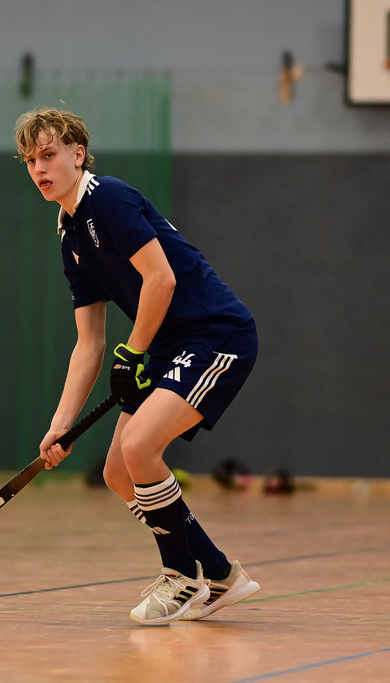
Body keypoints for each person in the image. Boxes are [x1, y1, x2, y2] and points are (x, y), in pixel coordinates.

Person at [15, 108, 260, 625]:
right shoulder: (69, 234)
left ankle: (182, 577)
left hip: (216, 334)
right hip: (171, 346)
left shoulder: (108, 198)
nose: (40, 168)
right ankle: (219, 574)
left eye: (50, 155)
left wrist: (134, 352)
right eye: (30, 160)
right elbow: (89, 343)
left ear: (77, 154)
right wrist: (61, 426)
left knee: (139, 446)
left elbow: (162, 280)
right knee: (118, 472)